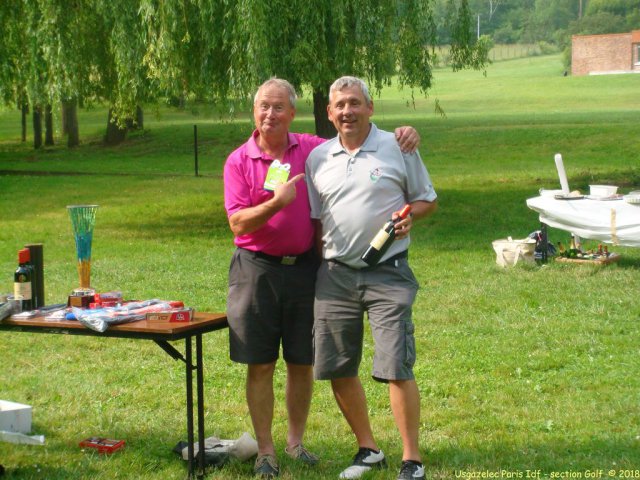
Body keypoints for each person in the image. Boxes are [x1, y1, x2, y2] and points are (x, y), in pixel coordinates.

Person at [223, 77, 420, 478]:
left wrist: (406, 134)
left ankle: (295, 443)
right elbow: (237, 223)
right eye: (263, 106)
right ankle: (265, 451)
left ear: (292, 113)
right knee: (260, 364)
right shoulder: (239, 161)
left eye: (279, 107)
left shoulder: (312, 150)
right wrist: (276, 204)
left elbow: (354, 141)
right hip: (256, 270)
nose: (270, 114)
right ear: (254, 111)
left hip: (306, 270)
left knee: (302, 361)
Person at [305, 76, 438, 480]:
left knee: (396, 364)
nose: (347, 111)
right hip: (335, 276)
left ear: (370, 107)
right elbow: (316, 221)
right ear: (329, 113)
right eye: (340, 105)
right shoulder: (318, 158)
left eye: (354, 103)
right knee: (337, 366)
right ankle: (368, 449)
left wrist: (410, 217)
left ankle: (412, 459)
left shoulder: (399, 146)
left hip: (388, 273)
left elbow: (426, 200)